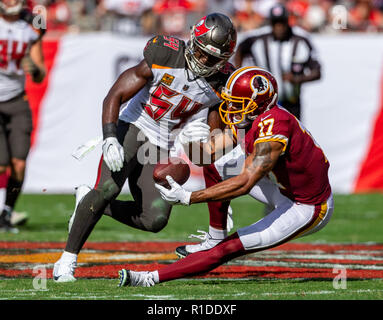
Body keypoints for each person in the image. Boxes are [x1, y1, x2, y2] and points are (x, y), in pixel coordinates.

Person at [52, 12, 237, 282]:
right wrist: (110, 137)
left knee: (154, 219)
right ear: (192, 40)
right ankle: (66, 260)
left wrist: (218, 189)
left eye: (213, 58)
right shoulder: (165, 53)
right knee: (108, 188)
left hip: (164, 144)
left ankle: (89, 202)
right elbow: (115, 94)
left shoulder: (222, 83)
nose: (204, 61)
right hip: (135, 126)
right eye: (201, 52)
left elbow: (210, 147)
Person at [117, 66, 334, 287]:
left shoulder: (275, 126)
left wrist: (189, 197)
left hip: (306, 205)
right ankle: (215, 235)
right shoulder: (250, 119)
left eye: (237, 104)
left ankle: (149, 278)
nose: (230, 108)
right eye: (229, 101)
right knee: (217, 166)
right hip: (280, 186)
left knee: (229, 248)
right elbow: (206, 157)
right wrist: (188, 141)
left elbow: (244, 183)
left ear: (258, 104)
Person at [0, 0, 46, 233]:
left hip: (18, 100)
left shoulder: (30, 25)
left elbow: (39, 74)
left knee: (18, 163)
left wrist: (34, 69)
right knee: (1, 163)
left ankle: (7, 211)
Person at [234, 3, 321, 120]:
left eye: (282, 23)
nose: (279, 27)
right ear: (271, 23)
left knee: (292, 135)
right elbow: (240, 48)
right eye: (275, 23)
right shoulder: (258, 38)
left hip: (291, 101)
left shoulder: (301, 40)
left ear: (287, 21)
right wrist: (239, 73)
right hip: (263, 101)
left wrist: (297, 79)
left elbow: (317, 72)